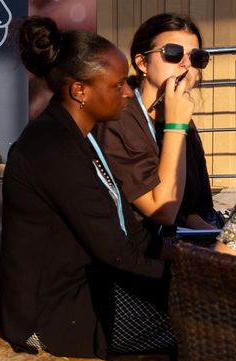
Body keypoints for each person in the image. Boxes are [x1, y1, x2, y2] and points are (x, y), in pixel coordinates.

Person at [0, 17, 182, 358]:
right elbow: (118, 253)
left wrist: (191, 255)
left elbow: (133, 236)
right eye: (119, 84)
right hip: (54, 315)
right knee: (203, 327)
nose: (128, 92)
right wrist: (189, 282)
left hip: (90, 288)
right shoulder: (51, 150)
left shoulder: (79, 136)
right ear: (79, 90)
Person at [97, 13, 220, 234]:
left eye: (196, 57)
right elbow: (162, 210)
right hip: (135, 256)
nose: (186, 64)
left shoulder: (184, 123)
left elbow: (193, 213)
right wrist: (176, 128)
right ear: (142, 62)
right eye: (173, 53)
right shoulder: (118, 120)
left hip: (181, 250)